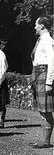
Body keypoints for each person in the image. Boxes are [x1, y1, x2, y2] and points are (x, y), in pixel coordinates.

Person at [29, 16, 54, 149]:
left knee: (46, 110)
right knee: (41, 110)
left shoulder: (48, 41)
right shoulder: (40, 40)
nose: (34, 27)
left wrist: (49, 82)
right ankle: (43, 140)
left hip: (44, 74)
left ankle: (46, 141)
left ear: (42, 26)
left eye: (36, 25)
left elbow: (52, 61)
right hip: (38, 73)